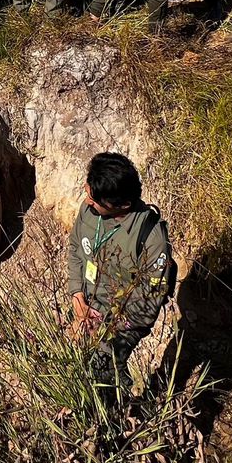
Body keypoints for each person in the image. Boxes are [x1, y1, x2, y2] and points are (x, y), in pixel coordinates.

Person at [65, 152, 173, 394]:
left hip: (122, 319)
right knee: (76, 363)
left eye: (95, 200)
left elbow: (148, 303)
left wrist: (104, 326)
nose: (87, 200)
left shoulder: (151, 239)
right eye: (88, 193)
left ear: (122, 205)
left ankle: (121, 416)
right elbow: (75, 248)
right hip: (87, 302)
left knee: (103, 371)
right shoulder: (89, 208)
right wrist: (76, 295)